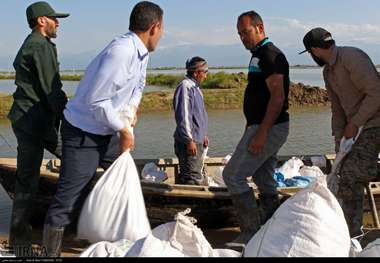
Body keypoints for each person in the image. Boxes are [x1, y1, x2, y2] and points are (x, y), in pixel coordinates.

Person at [42, 1, 164, 256]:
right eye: (162, 30)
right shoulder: (121, 52)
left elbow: (138, 86)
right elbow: (97, 101)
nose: (161, 36)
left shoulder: (142, 53)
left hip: (107, 131)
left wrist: (130, 113)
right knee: (67, 199)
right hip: (83, 133)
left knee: (127, 180)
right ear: (154, 27)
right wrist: (124, 129)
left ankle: (117, 237)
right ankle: (49, 253)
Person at [300, 27, 380, 237]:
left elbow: (376, 93)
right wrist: (339, 139)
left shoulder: (352, 58)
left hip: (374, 124)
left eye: (310, 53)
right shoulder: (327, 72)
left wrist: (355, 122)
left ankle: (353, 234)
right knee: (342, 173)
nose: (312, 56)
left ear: (315, 50)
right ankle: (346, 230)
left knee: (351, 176)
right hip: (356, 129)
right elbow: (337, 109)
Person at [222, 10, 290, 248]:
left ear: (260, 28)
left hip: (269, 127)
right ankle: (269, 227)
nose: (242, 37)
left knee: (232, 175)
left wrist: (261, 132)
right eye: (239, 33)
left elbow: (278, 98)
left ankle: (250, 232)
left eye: (246, 32)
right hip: (260, 126)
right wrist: (252, 127)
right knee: (263, 178)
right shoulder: (258, 54)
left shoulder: (271, 55)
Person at [7, 1, 69, 256]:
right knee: (28, 183)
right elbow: (51, 89)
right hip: (34, 122)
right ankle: (22, 245)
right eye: (54, 19)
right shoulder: (39, 46)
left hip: (33, 120)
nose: (58, 23)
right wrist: (72, 117)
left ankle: (22, 242)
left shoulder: (36, 44)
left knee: (27, 181)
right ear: (41, 21)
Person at [173, 57, 209, 185]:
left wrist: (203, 134)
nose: (206, 75)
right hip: (189, 142)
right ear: (196, 72)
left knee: (196, 173)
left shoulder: (196, 88)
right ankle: (190, 204)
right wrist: (189, 140)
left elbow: (199, 115)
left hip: (198, 140)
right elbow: (184, 116)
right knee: (191, 177)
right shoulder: (185, 86)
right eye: (205, 72)